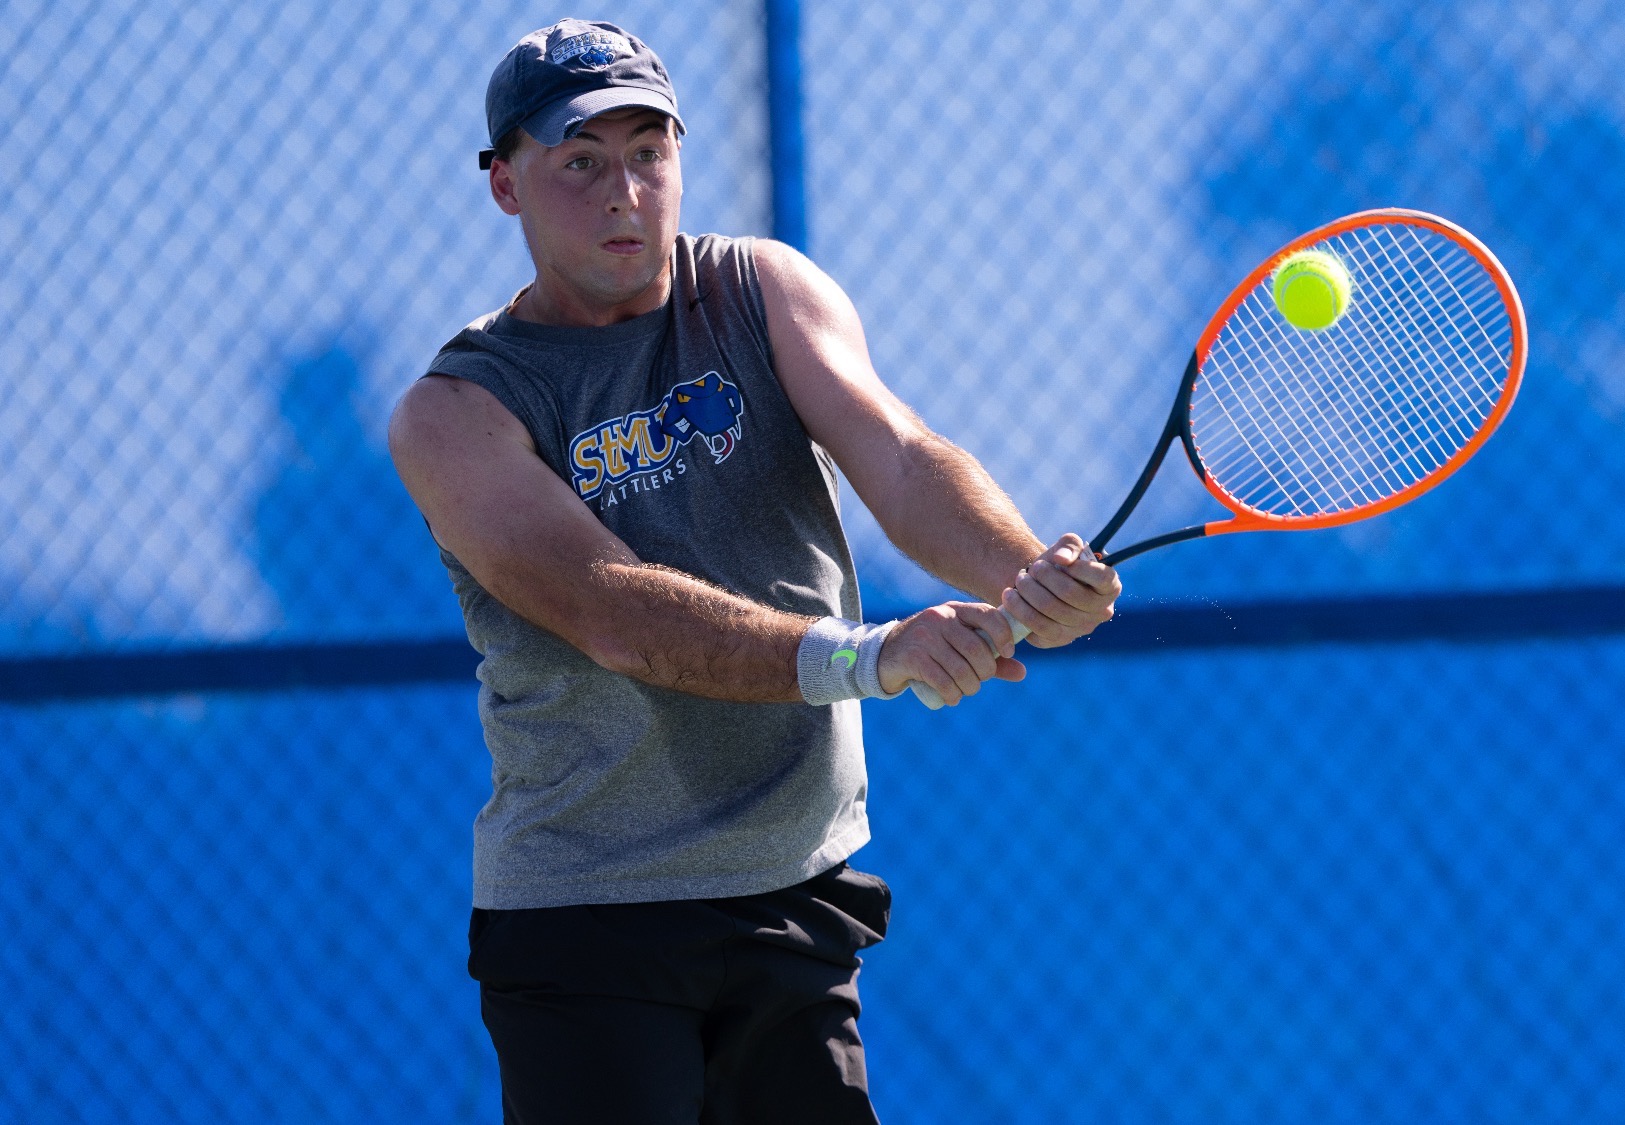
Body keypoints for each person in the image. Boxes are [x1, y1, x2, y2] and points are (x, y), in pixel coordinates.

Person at [387, 19, 1121, 1125]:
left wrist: (1025, 572)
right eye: (579, 162)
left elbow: (898, 452)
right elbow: (610, 612)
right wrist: (869, 659)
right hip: (592, 921)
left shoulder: (757, 290)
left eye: (648, 153)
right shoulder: (455, 412)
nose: (624, 191)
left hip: (795, 894)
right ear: (505, 187)